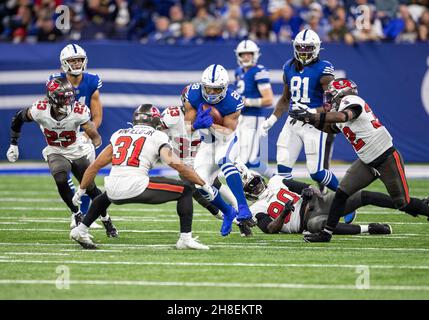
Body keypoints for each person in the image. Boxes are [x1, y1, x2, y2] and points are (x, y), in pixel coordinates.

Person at [288, 78, 429, 242]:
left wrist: (313, 116)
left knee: (403, 203)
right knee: (341, 194)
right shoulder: (341, 109)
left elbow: (342, 117)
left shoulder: (352, 101)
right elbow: (331, 127)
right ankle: (326, 234)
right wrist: (307, 120)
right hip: (366, 162)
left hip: (386, 158)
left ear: (340, 93)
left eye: (332, 95)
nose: (330, 99)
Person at [70, 104, 214, 250]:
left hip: (113, 187)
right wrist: (204, 184)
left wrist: (81, 190)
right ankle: (185, 239)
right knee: (186, 190)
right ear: (155, 121)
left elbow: (95, 166)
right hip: (136, 186)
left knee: (104, 197)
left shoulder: (119, 134)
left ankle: (80, 230)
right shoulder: (158, 136)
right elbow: (177, 165)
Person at [6, 77, 117, 237]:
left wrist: (94, 141)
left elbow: (92, 131)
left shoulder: (78, 111)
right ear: (51, 99)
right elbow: (17, 118)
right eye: (63, 99)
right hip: (55, 150)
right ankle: (77, 214)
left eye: (69, 98)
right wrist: (13, 144)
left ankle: (106, 220)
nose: (67, 103)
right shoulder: (39, 109)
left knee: (90, 187)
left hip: (76, 149)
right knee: (60, 177)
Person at [260, 29, 340, 194]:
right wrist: (272, 120)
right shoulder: (289, 67)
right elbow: (284, 99)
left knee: (316, 172)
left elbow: (331, 104)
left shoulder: (324, 69)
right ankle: (292, 206)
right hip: (293, 123)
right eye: (300, 47)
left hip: (315, 124)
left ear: (316, 48)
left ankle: (344, 196)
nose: (303, 51)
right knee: (283, 170)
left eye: (307, 48)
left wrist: (311, 111)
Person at [183, 64, 256, 237]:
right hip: (207, 143)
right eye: (208, 89)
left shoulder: (233, 100)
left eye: (216, 90)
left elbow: (228, 132)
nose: (211, 93)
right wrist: (195, 125)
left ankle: (243, 206)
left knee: (224, 160)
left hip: (227, 140)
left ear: (224, 88)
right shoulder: (193, 94)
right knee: (199, 183)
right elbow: (186, 128)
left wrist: (211, 124)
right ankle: (228, 212)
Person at [242, 173, 397, 236]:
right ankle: (369, 229)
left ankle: (403, 203)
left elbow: (307, 187)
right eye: (251, 187)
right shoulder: (254, 209)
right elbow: (270, 229)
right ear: (247, 194)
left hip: (316, 204)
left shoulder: (277, 180)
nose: (255, 186)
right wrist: (284, 213)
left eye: (255, 182)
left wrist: (310, 192)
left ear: (260, 178)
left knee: (361, 196)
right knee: (322, 226)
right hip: (305, 223)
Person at [49, 44, 103, 222]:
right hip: (64, 130)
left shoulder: (92, 80)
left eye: (79, 59)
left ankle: (85, 216)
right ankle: (76, 213)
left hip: (84, 129)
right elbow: (51, 112)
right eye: (73, 60)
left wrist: (88, 134)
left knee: (88, 178)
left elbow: (97, 115)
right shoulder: (55, 81)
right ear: (64, 63)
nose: (77, 63)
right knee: (63, 175)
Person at [234, 39, 275, 178]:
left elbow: (269, 100)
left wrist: (248, 102)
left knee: (248, 161)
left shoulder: (259, 71)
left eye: (249, 54)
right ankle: (273, 179)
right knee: (239, 157)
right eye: (243, 54)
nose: (246, 57)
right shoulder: (238, 71)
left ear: (255, 55)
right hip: (240, 118)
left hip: (254, 118)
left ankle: (278, 179)